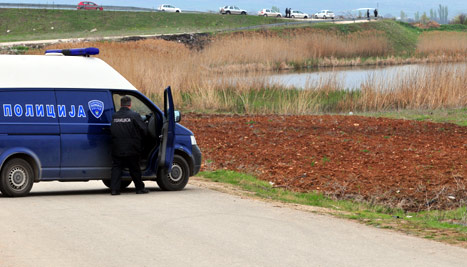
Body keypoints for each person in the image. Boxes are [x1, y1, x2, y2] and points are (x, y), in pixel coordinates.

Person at [110, 96, 149, 195]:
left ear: (121, 104)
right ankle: (139, 188)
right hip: (132, 148)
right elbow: (144, 129)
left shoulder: (115, 116)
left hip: (117, 147)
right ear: (130, 104)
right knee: (134, 168)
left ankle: (114, 190)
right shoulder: (134, 115)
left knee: (116, 168)